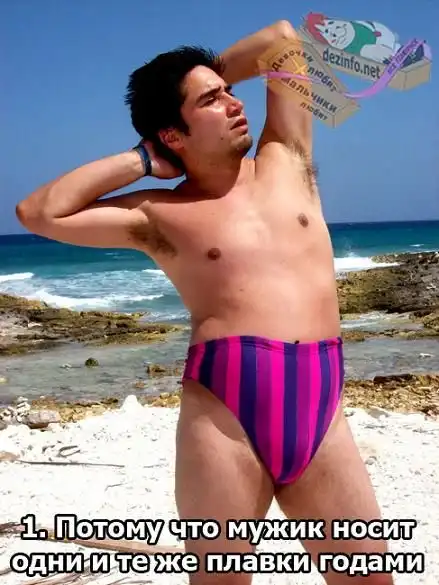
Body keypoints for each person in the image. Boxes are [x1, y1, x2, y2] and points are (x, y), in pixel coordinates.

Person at [16, 20, 394, 585]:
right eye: (211, 100)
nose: (234, 103)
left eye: (228, 91)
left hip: (322, 409)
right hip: (225, 415)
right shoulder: (157, 214)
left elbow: (282, 41)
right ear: (173, 134)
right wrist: (141, 160)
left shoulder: (287, 156)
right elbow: (39, 212)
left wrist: (203, 78)